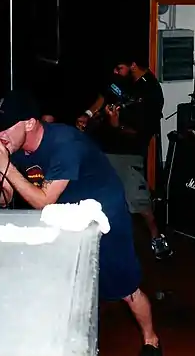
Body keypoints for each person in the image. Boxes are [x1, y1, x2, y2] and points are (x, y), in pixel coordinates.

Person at [0, 90, 163, 356]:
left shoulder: (65, 143)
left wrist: (5, 167)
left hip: (104, 213)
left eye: (4, 128)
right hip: (65, 214)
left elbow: (43, 200)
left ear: (29, 123)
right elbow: (6, 197)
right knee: (68, 285)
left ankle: (151, 340)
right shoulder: (14, 147)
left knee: (126, 288)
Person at [77, 52, 172, 260]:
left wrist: (117, 125)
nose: (115, 72)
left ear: (134, 66)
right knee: (94, 192)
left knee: (137, 199)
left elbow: (142, 132)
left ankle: (156, 237)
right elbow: (104, 96)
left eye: (119, 68)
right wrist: (88, 114)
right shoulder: (120, 79)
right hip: (101, 146)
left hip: (128, 152)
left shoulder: (151, 93)